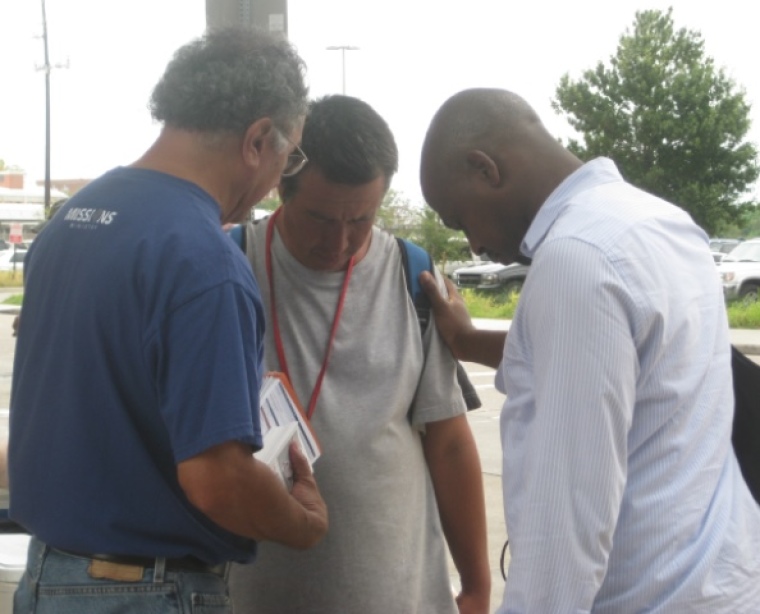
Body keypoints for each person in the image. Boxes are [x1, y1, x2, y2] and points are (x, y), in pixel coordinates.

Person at [8, 27, 328, 613]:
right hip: (144, 589)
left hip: (48, 576)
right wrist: (302, 522)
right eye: (291, 155)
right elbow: (217, 480)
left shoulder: (72, 219)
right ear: (259, 139)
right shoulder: (206, 262)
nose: (280, 178)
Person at [418, 88, 760, 612]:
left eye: (461, 220)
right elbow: (631, 369)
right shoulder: (659, 221)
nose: (476, 247)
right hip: (721, 581)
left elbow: (568, 520)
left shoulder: (576, 258)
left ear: (484, 168)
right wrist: (465, 341)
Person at [228, 94, 491, 614]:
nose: (340, 241)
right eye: (321, 219)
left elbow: (450, 443)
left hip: (397, 594)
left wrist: (477, 587)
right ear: (282, 182)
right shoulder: (230, 267)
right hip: (254, 595)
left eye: (361, 220)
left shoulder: (413, 277)